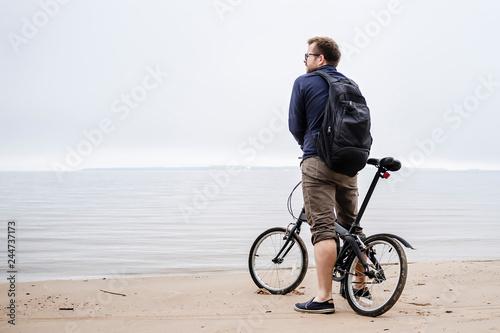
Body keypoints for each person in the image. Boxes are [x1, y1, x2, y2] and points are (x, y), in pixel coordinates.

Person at [288, 36, 365, 314]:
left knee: (323, 230)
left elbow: (295, 124)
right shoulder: (351, 85)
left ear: (320, 59)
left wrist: (308, 147)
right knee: (351, 227)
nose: (304, 60)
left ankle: (323, 298)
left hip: (318, 163)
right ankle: (359, 285)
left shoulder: (304, 82)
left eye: (307, 55)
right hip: (350, 165)